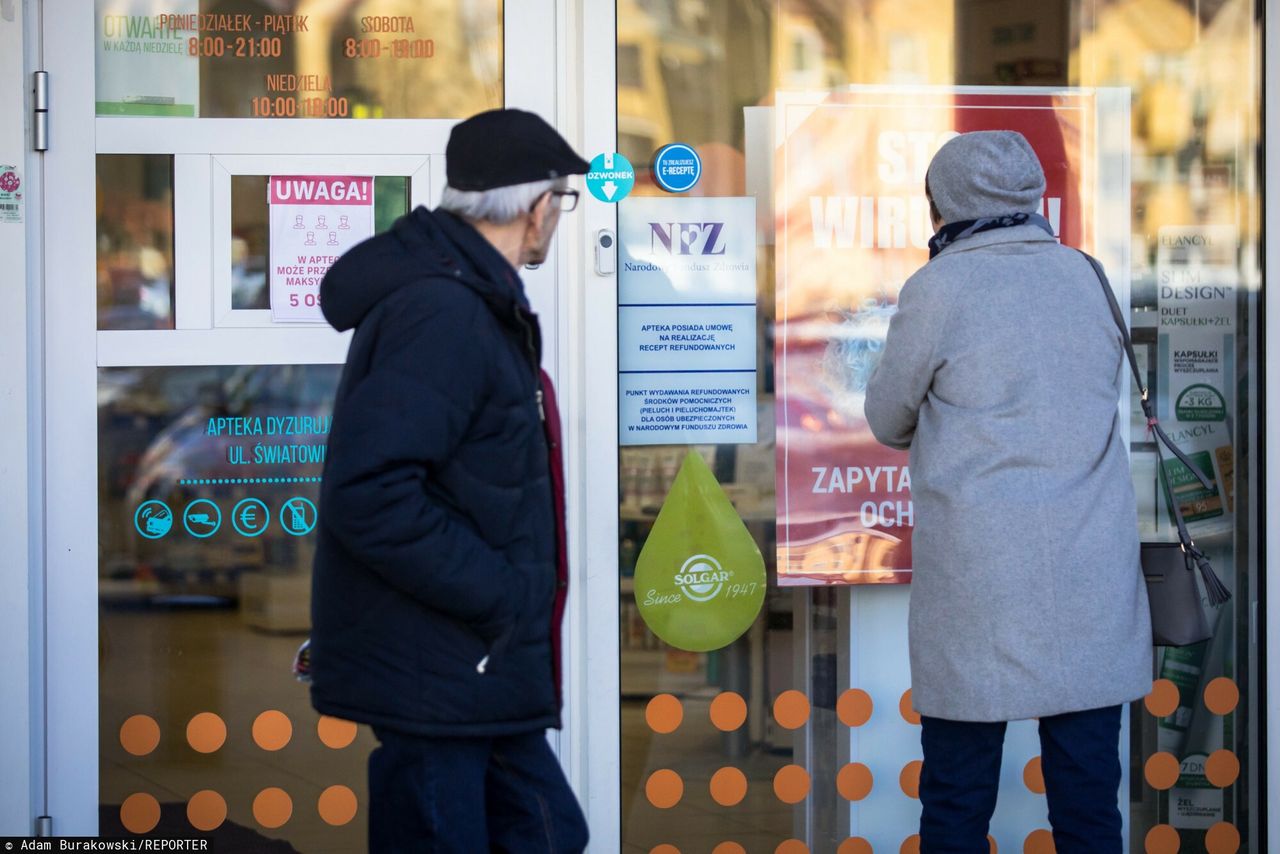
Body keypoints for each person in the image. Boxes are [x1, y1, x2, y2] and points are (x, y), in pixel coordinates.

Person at [309, 108, 590, 853]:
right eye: (562, 201)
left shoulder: (467, 297)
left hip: (469, 670)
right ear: (535, 207)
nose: (559, 220)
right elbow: (369, 493)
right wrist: (498, 596)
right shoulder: (445, 311)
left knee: (550, 833)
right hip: (440, 668)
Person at [864, 130, 1151, 853]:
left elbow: (886, 417)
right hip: (1090, 570)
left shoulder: (938, 289)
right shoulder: (1086, 275)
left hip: (980, 578)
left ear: (945, 202)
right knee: (1088, 804)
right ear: (1028, 194)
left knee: (958, 800)